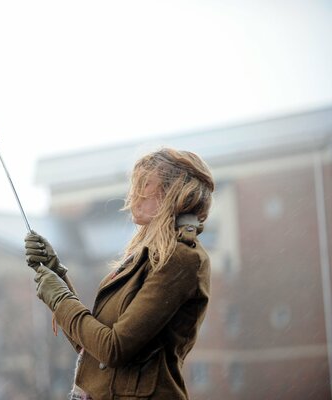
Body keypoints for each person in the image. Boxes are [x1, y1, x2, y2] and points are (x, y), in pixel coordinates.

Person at [24, 147, 214, 400]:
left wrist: (60, 299)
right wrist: (57, 275)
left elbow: (113, 348)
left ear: (175, 192)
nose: (133, 196)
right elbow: (91, 347)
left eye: (145, 185)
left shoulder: (181, 258)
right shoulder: (143, 257)